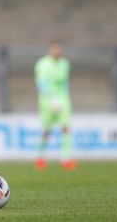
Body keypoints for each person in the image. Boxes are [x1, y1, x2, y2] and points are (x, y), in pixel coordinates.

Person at [34, 41, 76, 170]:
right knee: (46, 130)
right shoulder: (43, 63)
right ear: (50, 50)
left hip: (63, 99)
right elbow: (40, 82)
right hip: (47, 100)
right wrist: (51, 99)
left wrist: (64, 97)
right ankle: (40, 157)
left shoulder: (64, 63)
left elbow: (64, 83)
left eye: (59, 49)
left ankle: (65, 158)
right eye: (55, 49)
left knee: (65, 128)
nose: (57, 52)